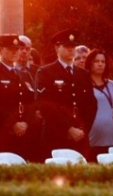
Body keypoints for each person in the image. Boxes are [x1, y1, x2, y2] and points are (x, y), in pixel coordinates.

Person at [35, 29, 97, 161]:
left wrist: (82, 129)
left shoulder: (83, 74)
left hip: (80, 137)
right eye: (67, 46)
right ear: (57, 47)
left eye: (73, 46)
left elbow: (91, 105)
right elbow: (44, 104)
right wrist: (68, 129)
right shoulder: (46, 72)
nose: (71, 50)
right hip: (55, 136)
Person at [0, 35, 38, 161]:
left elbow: (31, 102)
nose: (15, 52)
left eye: (17, 49)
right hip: (0, 132)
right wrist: (13, 123)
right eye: (10, 49)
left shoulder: (23, 74)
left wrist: (25, 122)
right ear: (0, 51)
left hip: (22, 135)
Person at [85, 49, 113, 160]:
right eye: (96, 61)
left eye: (103, 61)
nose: (100, 64)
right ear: (90, 63)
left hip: (112, 137)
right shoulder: (85, 85)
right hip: (93, 139)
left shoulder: (112, 84)